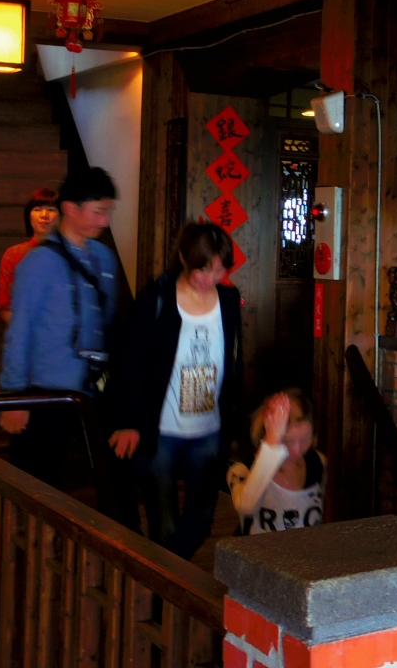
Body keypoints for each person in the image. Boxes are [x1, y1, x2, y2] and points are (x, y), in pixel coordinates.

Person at [107, 223, 242, 560]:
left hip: (209, 431)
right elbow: (129, 362)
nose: (210, 278)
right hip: (160, 432)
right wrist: (129, 421)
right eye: (203, 269)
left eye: (219, 270)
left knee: (202, 521)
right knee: (164, 526)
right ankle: (164, 588)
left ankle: (164, 576)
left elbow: (233, 360)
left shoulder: (228, 300)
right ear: (183, 258)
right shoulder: (157, 298)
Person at [0, 168, 119, 488]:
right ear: (70, 208)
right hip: (46, 395)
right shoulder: (38, 262)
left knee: (103, 481)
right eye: (99, 211)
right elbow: (20, 331)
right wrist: (16, 399)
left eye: (108, 212)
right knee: (36, 483)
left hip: (93, 390)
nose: (105, 221)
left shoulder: (105, 258)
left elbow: (109, 324)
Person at [228, 389, 325, 534]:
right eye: (287, 441)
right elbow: (246, 506)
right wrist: (272, 440)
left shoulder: (318, 462)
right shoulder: (242, 470)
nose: (296, 450)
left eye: (305, 440)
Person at [0, 189, 60, 325]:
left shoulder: (71, 254)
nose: (44, 215)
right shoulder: (13, 254)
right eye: (37, 209)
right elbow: (4, 307)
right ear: (28, 216)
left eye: (51, 209)